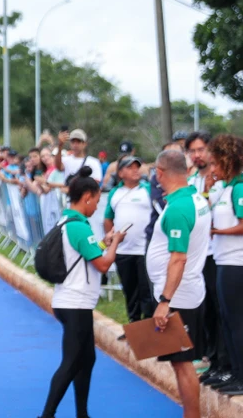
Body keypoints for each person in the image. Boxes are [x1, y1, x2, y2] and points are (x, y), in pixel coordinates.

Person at [37, 166, 125, 418]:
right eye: (97, 200)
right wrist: (115, 243)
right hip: (75, 303)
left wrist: (103, 243)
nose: (97, 206)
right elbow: (103, 264)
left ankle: (82, 414)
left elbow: (84, 254)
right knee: (71, 363)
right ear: (87, 197)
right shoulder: (79, 227)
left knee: (86, 360)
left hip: (73, 302)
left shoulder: (68, 222)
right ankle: (46, 414)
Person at [147, 147, 212, 418]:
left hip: (179, 297)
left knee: (183, 364)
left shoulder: (179, 208)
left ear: (160, 174)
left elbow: (178, 259)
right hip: (185, 292)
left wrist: (164, 302)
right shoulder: (194, 199)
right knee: (180, 363)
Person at [206, 134, 243, 396]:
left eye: (216, 163)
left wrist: (218, 232)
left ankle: (242, 377)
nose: (212, 168)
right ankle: (235, 372)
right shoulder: (225, 188)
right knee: (227, 322)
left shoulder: (239, 187)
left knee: (237, 322)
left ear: (228, 161)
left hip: (236, 263)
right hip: (224, 261)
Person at [185, 130, 223, 381]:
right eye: (193, 151)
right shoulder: (190, 182)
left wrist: (208, 190)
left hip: (217, 256)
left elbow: (209, 214)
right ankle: (210, 357)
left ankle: (222, 362)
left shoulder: (220, 180)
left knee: (220, 310)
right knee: (204, 308)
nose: (198, 155)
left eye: (201, 150)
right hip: (196, 256)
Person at [102, 155, 155, 324]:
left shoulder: (147, 189)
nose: (135, 170)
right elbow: (108, 218)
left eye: (136, 167)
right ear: (120, 172)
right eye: (130, 167)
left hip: (144, 250)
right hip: (124, 251)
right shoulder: (115, 193)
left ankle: (148, 327)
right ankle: (134, 325)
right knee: (130, 290)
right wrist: (112, 239)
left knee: (146, 291)